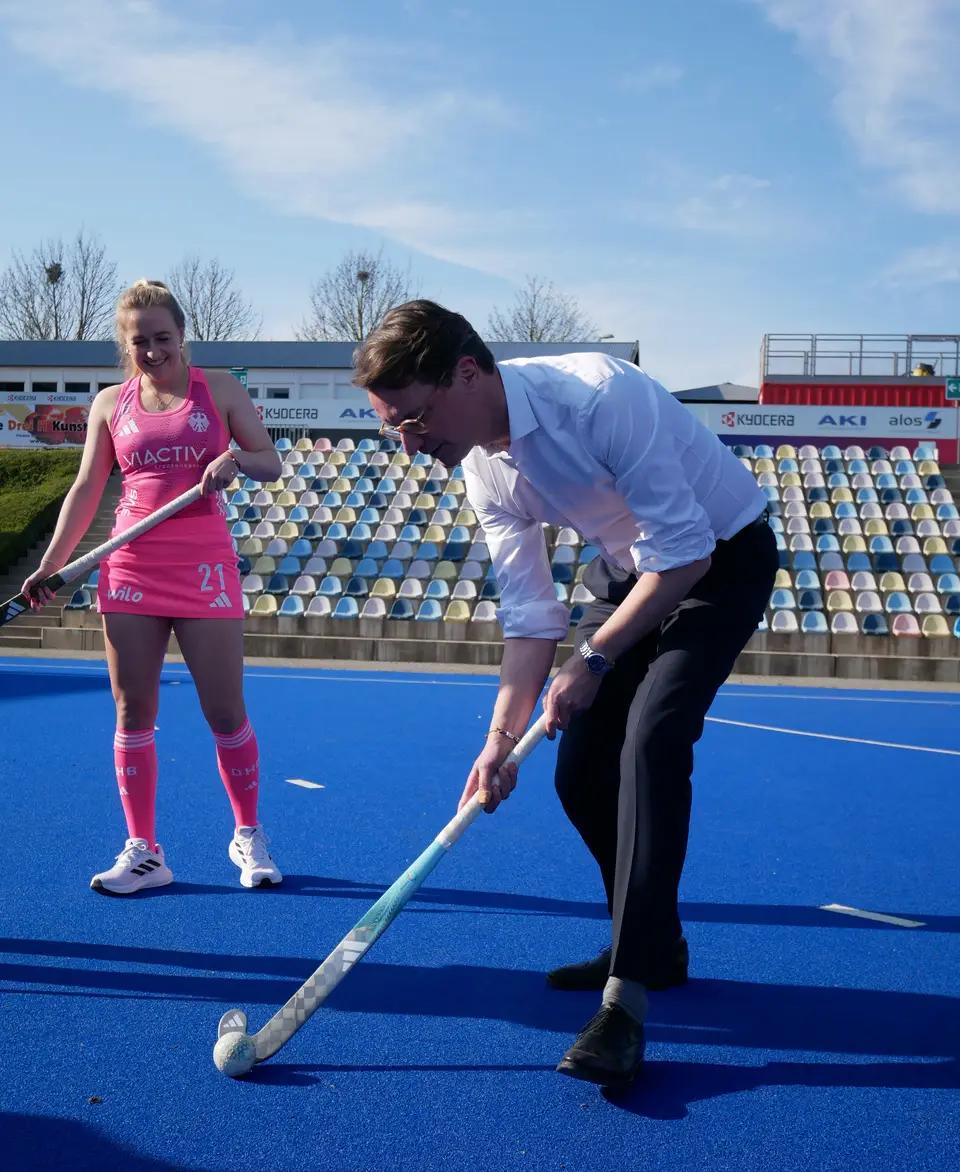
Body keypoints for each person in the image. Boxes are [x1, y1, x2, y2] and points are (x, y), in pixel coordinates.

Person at [354, 300, 778, 1088]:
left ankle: (626, 1000)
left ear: (467, 373)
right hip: (628, 570)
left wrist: (592, 657)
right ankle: (654, 940)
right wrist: (497, 739)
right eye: (394, 430)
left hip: (721, 560)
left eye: (413, 419)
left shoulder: (599, 397)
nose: (409, 444)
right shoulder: (482, 466)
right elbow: (529, 617)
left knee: (652, 739)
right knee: (579, 774)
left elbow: (686, 556)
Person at [22, 279, 284, 896]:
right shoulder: (110, 403)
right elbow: (87, 488)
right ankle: (144, 851)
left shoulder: (219, 389)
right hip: (130, 566)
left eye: (163, 337)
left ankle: (247, 834)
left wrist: (236, 460)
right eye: (140, 342)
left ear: (182, 335)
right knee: (133, 710)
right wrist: (52, 565)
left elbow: (270, 461)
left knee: (225, 711)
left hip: (204, 566)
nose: (153, 351)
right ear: (126, 345)